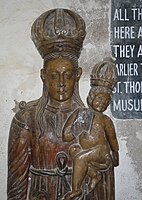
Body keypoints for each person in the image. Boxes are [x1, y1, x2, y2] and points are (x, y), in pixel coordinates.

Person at [7, 9, 86, 200]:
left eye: (67, 75)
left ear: (78, 75)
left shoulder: (90, 119)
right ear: (43, 76)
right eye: (53, 75)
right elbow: (17, 181)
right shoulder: (26, 118)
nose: (61, 83)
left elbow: (102, 173)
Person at [62, 58, 119, 200]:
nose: (103, 103)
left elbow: (112, 138)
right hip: (88, 152)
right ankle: (94, 175)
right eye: (100, 98)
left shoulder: (105, 120)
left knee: (81, 158)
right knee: (73, 151)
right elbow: (66, 136)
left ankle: (75, 190)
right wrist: (77, 127)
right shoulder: (80, 113)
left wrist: (115, 154)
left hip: (101, 151)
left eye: (106, 101)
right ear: (91, 96)